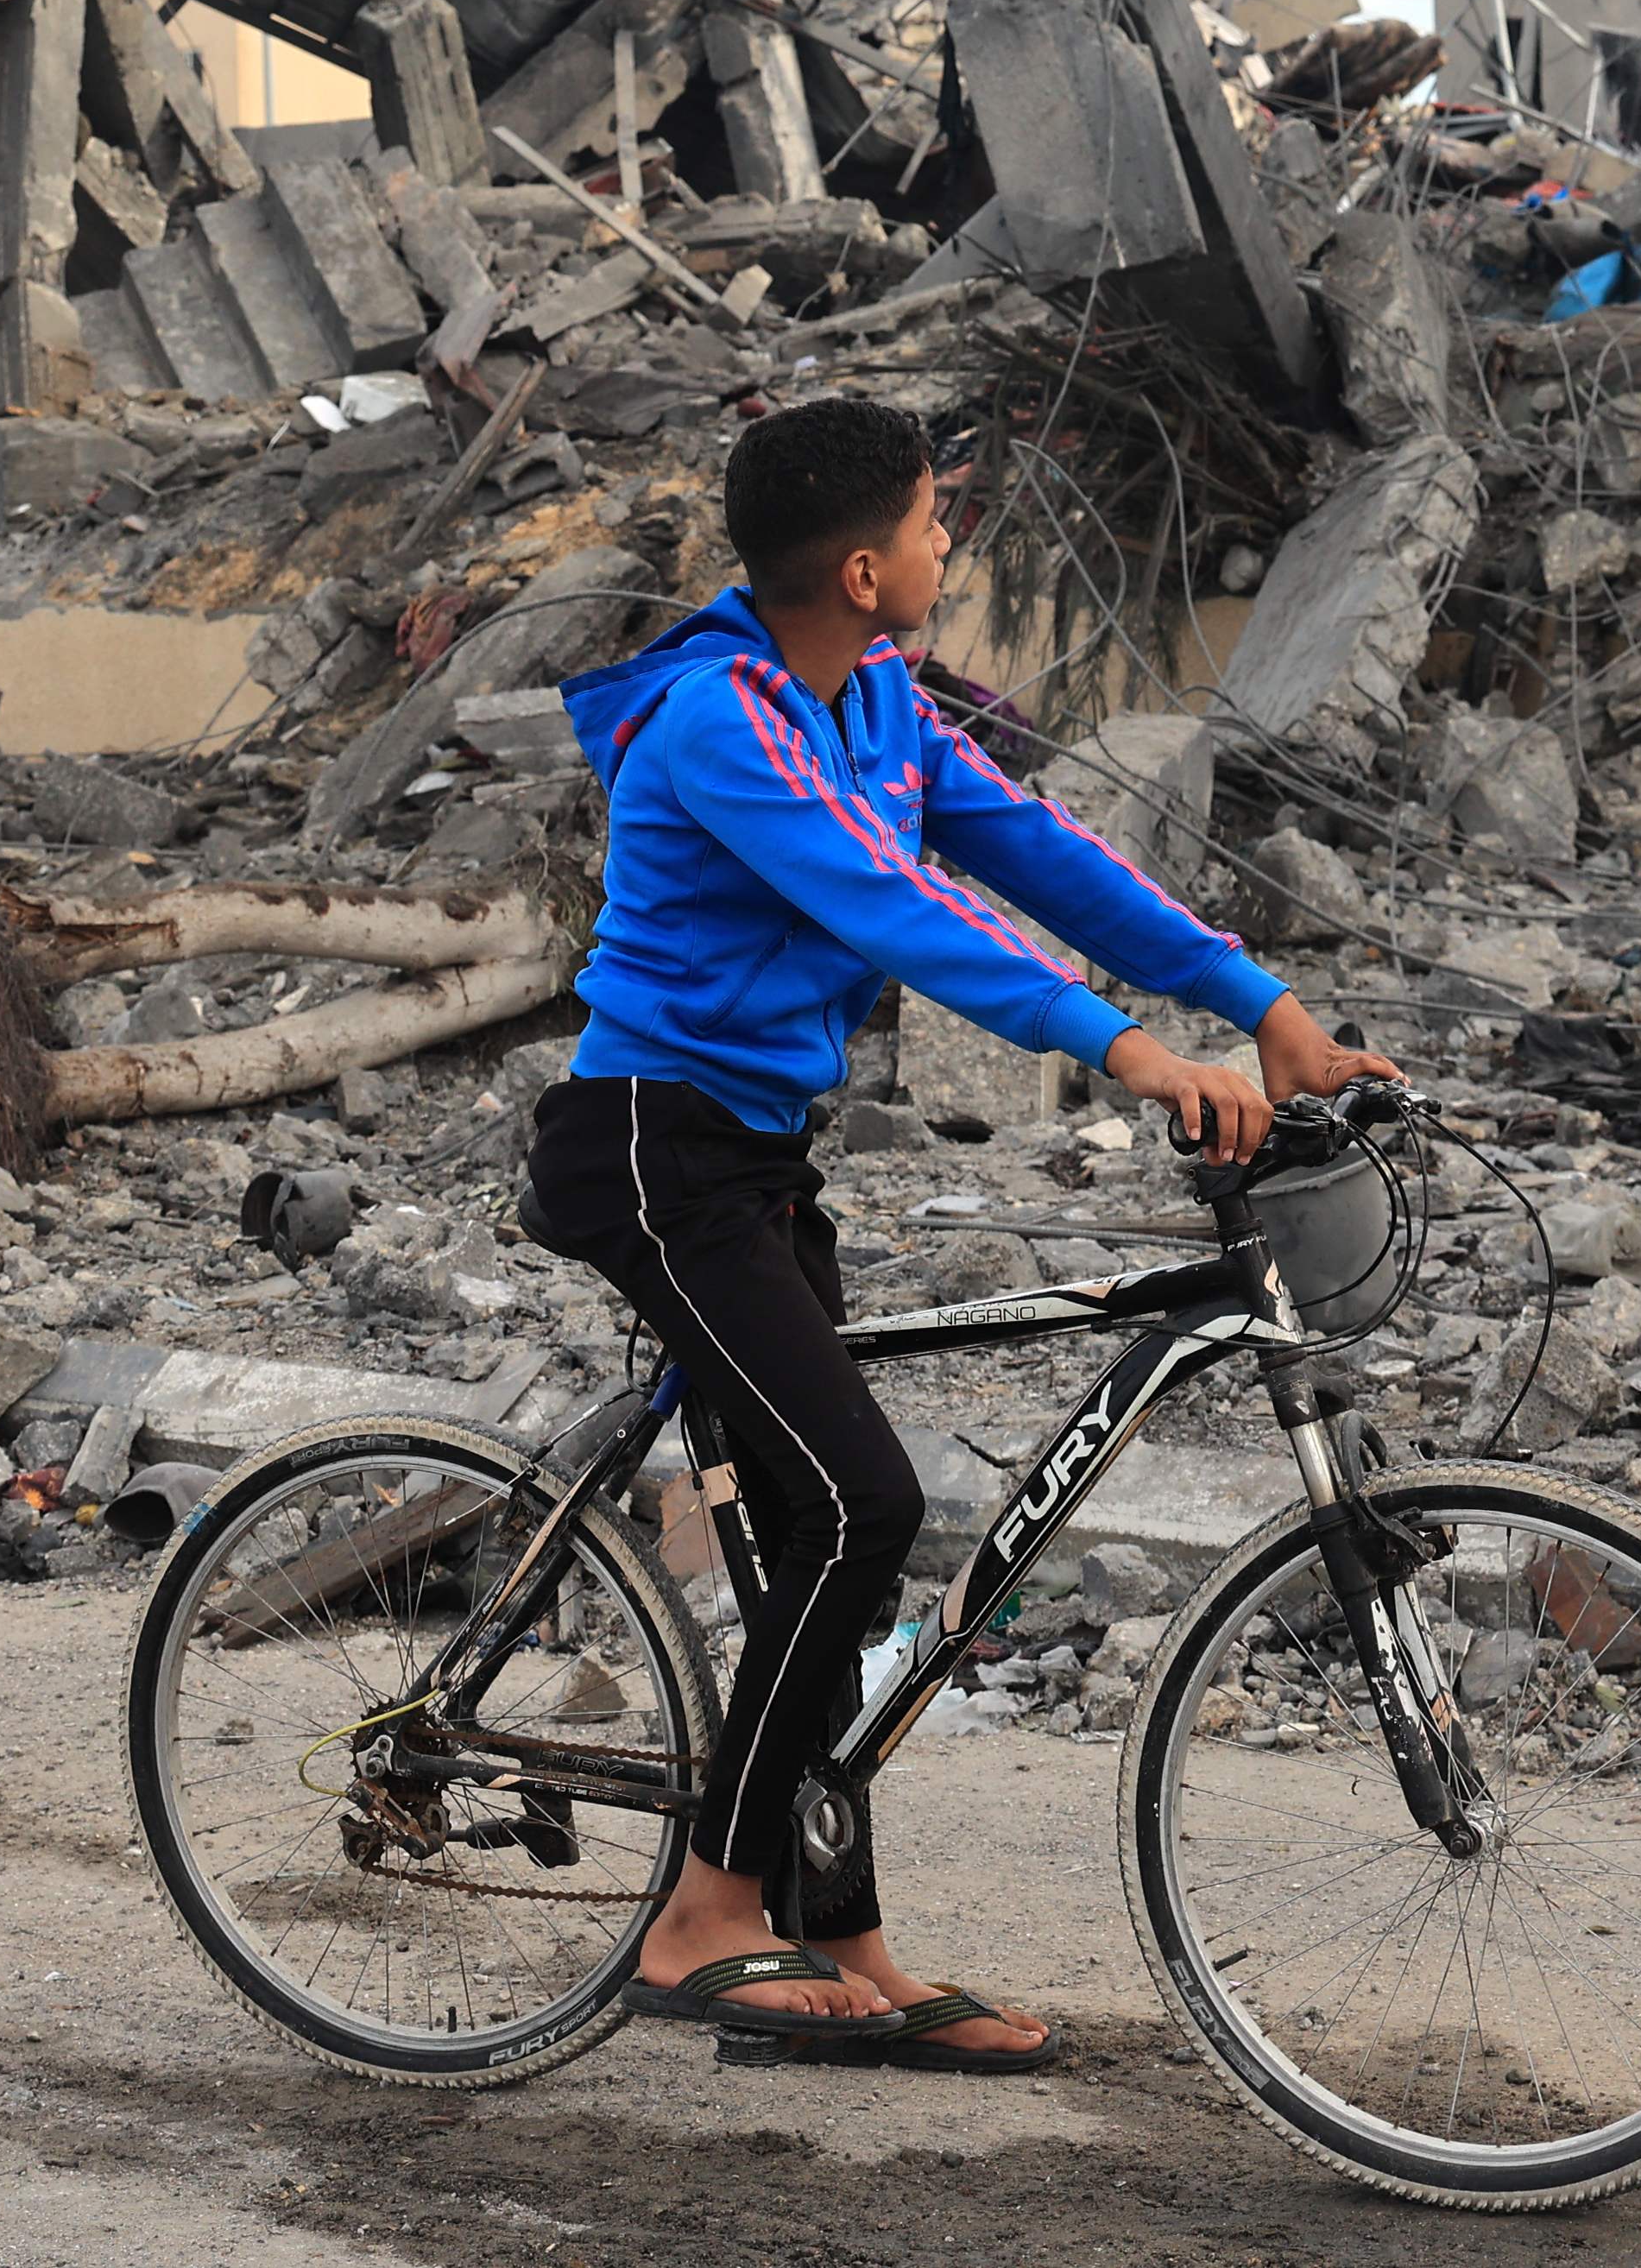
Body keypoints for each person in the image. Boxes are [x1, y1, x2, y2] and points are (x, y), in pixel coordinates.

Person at [523, 396, 1397, 2068]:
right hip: (650, 1150)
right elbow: (900, 906)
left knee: (821, 1568)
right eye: (936, 525)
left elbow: (1042, 854)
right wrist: (1135, 1049)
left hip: (761, 1163)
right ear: (863, 568)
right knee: (865, 1501)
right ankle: (702, 1915)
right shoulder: (726, 721)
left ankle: (839, 1939)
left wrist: (1258, 999)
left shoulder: (881, 702)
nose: (950, 547)